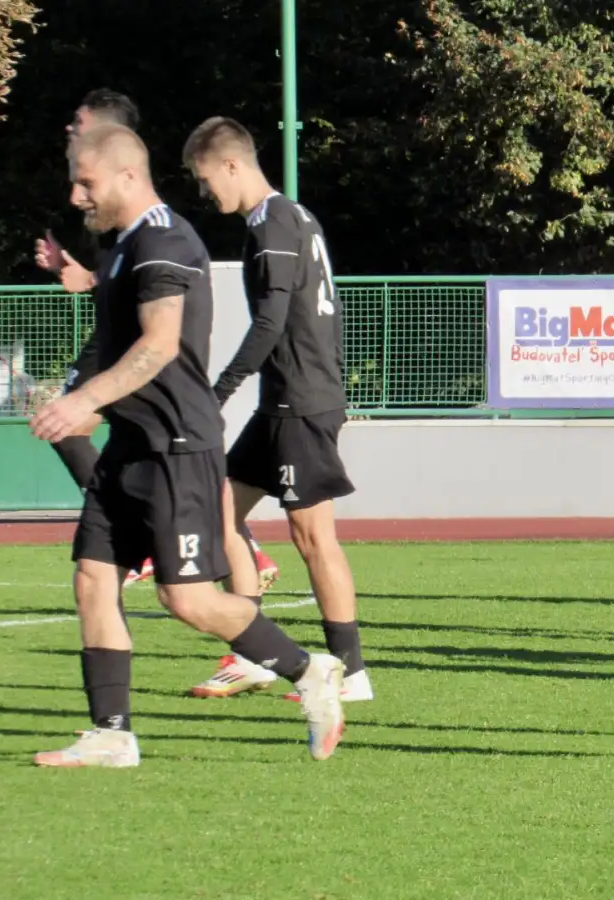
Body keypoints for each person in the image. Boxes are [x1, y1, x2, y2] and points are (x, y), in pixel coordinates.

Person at [27, 125, 344, 767]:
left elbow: (160, 342)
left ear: (126, 178)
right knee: (93, 577)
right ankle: (112, 733)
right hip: (130, 445)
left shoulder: (165, 241)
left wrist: (84, 400)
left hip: (178, 447)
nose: (75, 194)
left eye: (85, 181)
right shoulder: (121, 245)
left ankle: (311, 671)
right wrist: (79, 274)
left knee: (189, 601)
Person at [32, 90, 279, 592]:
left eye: (79, 121)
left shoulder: (154, 222)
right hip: (127, 351)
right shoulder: (113, 208)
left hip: (145, 363)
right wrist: (80, 275)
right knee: (104, 574)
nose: (69, 128)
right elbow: (122, 277)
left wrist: (91, 392)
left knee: (71, 424)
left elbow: (156, 313)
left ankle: (281, 641)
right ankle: (219, 550)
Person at [179, 117, 371, 704]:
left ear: (232, 164)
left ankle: (350, 673)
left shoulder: (274, 224)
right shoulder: (286, 217)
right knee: (218, 509)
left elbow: (273, 320)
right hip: (284, 402)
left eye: (205, 177)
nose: (205, 192)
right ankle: (253, 654)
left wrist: (218, 391)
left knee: (314, 537)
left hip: (300, 402)